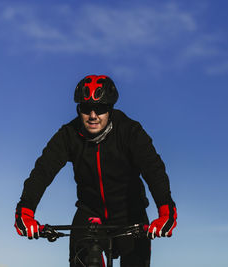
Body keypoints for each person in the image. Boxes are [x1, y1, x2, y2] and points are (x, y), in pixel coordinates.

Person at [14, 75, 177, 267]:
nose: (93, 115)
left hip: (130, 215)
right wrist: (25, 210)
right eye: (85, 108)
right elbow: (42, 172)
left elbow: (153, 169)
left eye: (100, 109)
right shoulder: (68, 135)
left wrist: (166, 210)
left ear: (109, 109)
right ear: (78, 109)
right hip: (90, 214)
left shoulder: (130, 131)